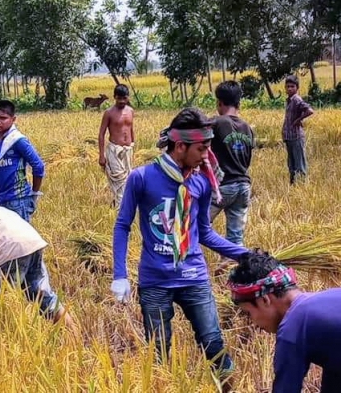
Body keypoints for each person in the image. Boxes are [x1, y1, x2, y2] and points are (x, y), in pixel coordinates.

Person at [111, 108, 249, 379]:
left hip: (194, 277)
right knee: (158, 354)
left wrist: (246, 255)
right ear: (180, 146)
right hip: (154, 281)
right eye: (201, 149)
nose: (207, 156)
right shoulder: (141, 178)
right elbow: (122, 225)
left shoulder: (201, 182)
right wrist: (120, 275)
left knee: (215, 346)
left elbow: (204, 233)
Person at [227, 251, 341, 392]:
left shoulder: (293, 327)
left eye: (248, 313)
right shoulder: (328, 301)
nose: (253, 323)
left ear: (264, 300)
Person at [0, 100, 44, 222]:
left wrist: (34, 194)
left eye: (3, 118)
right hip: (0, 201)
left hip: (18, 201)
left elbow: (38, 166)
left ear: (13, 119)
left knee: (21, 240)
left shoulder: (18, 140)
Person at [209, 81, 255, 245]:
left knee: (193, 225)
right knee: (235, 239)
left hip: (222, 187)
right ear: (239, 104)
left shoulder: (216, 122)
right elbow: (247, 159)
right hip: (243, 187)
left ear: (219, 103)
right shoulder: (248, 128)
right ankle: (230, 264)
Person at [98, 84, 134, 208]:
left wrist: (133, 145)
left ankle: (119, 205)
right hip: (114, 150)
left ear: (127, 97)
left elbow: (131, 129)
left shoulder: (130, 111)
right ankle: (120, 209)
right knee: (119, 181)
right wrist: (101, 156)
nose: (122, 101)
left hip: (127, 150)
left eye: (124, 98)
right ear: (114, 97)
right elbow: (101, 134)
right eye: (119, 98)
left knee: (128, 180)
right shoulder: (109, 113)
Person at [282, 75, 314, 184]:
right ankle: (293, 185)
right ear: (285, 88)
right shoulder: (289, 100)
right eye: (288, 86)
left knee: (299, 163)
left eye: (292, 86)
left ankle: (301, 185)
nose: (290, 88)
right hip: (289, 137)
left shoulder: (296, 99)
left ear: (297, 87)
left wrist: (298, 119)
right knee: (291, 164)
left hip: (296, 136)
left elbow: (309, 110)